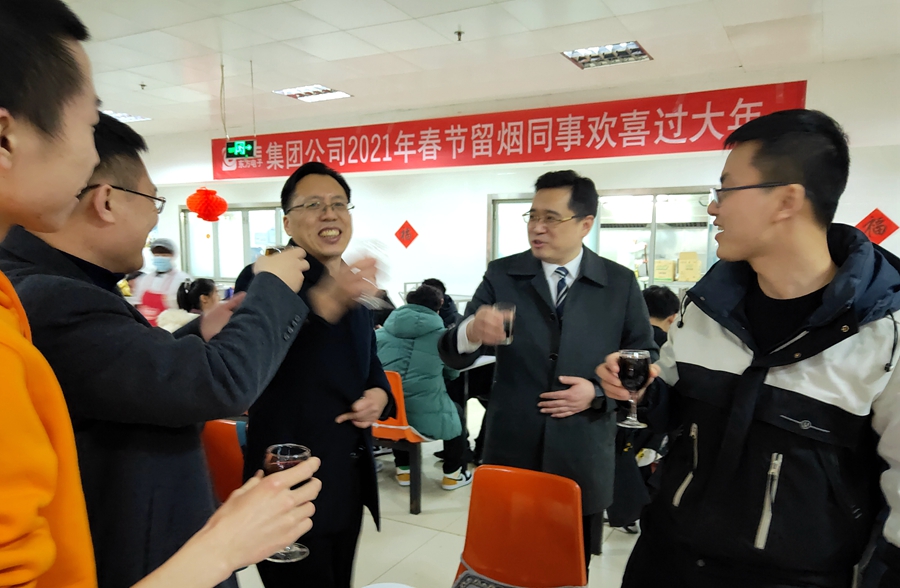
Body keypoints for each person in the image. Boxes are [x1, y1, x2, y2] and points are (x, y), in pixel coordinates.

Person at [0, 2, 319, 587]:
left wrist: (198, 331)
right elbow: (219, 383)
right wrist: (273, 285)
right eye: (87, 123)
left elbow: (122, 373)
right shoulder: (43, 300)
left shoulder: (45, 288)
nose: (88, 154)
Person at [597, 109, 900, 588]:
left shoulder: (882, 331)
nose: (712, 208)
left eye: (727, 189)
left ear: (786, 200)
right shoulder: (706, 305)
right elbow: (672, 410)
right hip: (666, 558)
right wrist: (639, 394)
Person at [438, 170, 657, 570]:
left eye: (551, 218)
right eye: (533, 216)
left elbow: (643, 355)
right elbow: (454, 353)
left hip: (582, 449)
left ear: (586, 224)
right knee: (506, 560)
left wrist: (596, 391)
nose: (537, 228)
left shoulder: (619, 282)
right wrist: (471, 331)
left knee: (568, 563)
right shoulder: (503, 274)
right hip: (512, 444)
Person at [234, 161, 395, 588]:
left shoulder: (352, 280)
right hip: (289, 475)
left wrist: (379, 394)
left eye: (339, 204)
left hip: (347, 473)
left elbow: (369, 359)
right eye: (313, 204)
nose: (329, 213)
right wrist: (327, 304)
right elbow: (259, 360)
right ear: (287, 221)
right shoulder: (266, 275)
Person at [375, 284, 471, 489]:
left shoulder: (379, 335)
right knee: (456, 414)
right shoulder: (443, 339)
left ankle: (404, 471)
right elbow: (453, 373)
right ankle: (453, 475)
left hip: (384, 416)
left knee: (399, 404)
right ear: (440, 306)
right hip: (424, 420)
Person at [131, 237, 190, 326]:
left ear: (173, 256)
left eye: (164, 255)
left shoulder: (182, 279)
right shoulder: (144, 280)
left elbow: (186, 309)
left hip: (171, 328)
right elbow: (137, 304)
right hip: (145, 327)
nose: (160, 258)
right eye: (157, 255)